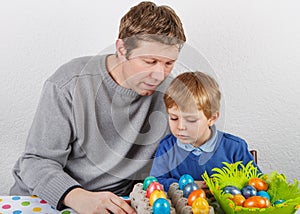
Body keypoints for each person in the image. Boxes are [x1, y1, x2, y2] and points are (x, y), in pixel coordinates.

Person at [10, 2, 186, 214]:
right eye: (150, 61)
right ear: (122, 49)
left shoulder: (172, 93)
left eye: (169, 63)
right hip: (53, 200)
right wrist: (78, 197)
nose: (160, 74)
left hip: (120, 203)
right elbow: (35, 162)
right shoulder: (69, 84)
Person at [150, 71, 260, 192]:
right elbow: (156, 182)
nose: (180, 126)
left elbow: (257, 184)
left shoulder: (235, 148)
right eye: (174, 118)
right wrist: (188, 185)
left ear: (212, 118)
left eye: (191, 120)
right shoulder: (167, 147)